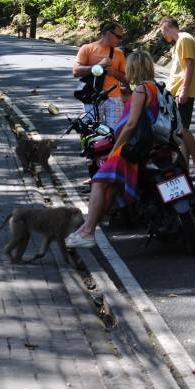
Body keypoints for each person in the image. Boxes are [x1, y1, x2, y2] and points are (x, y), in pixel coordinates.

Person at [66, 49, 160, 249]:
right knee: (108, 185)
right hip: (145, 145)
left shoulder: (142, 89)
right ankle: (86, 230)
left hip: (129, 147)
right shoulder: (155, 87)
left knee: (99, 181)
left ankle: (88, 231)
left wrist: (115, 150)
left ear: (134, 67)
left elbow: (131, 124)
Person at [159, 16, 195, 178]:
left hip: (181, 92)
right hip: (175, 91)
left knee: (183, 129)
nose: (163, 36)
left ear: (166, 28)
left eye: (162, 31)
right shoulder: (180, 42)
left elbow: (190, 65)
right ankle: (185, 167)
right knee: (179, 131)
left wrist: (184, 89)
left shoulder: (184, 39)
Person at [73, 21, 128, 127]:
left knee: (114, 133)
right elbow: (76, 71)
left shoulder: (119, 53)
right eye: (118, 36)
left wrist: (115, 73)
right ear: (108, 33)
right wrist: (98, 66)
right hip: (93, 97)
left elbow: (127, 79)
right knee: (92, 130)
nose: (120, 39)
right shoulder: (87, 49)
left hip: (114, 98)